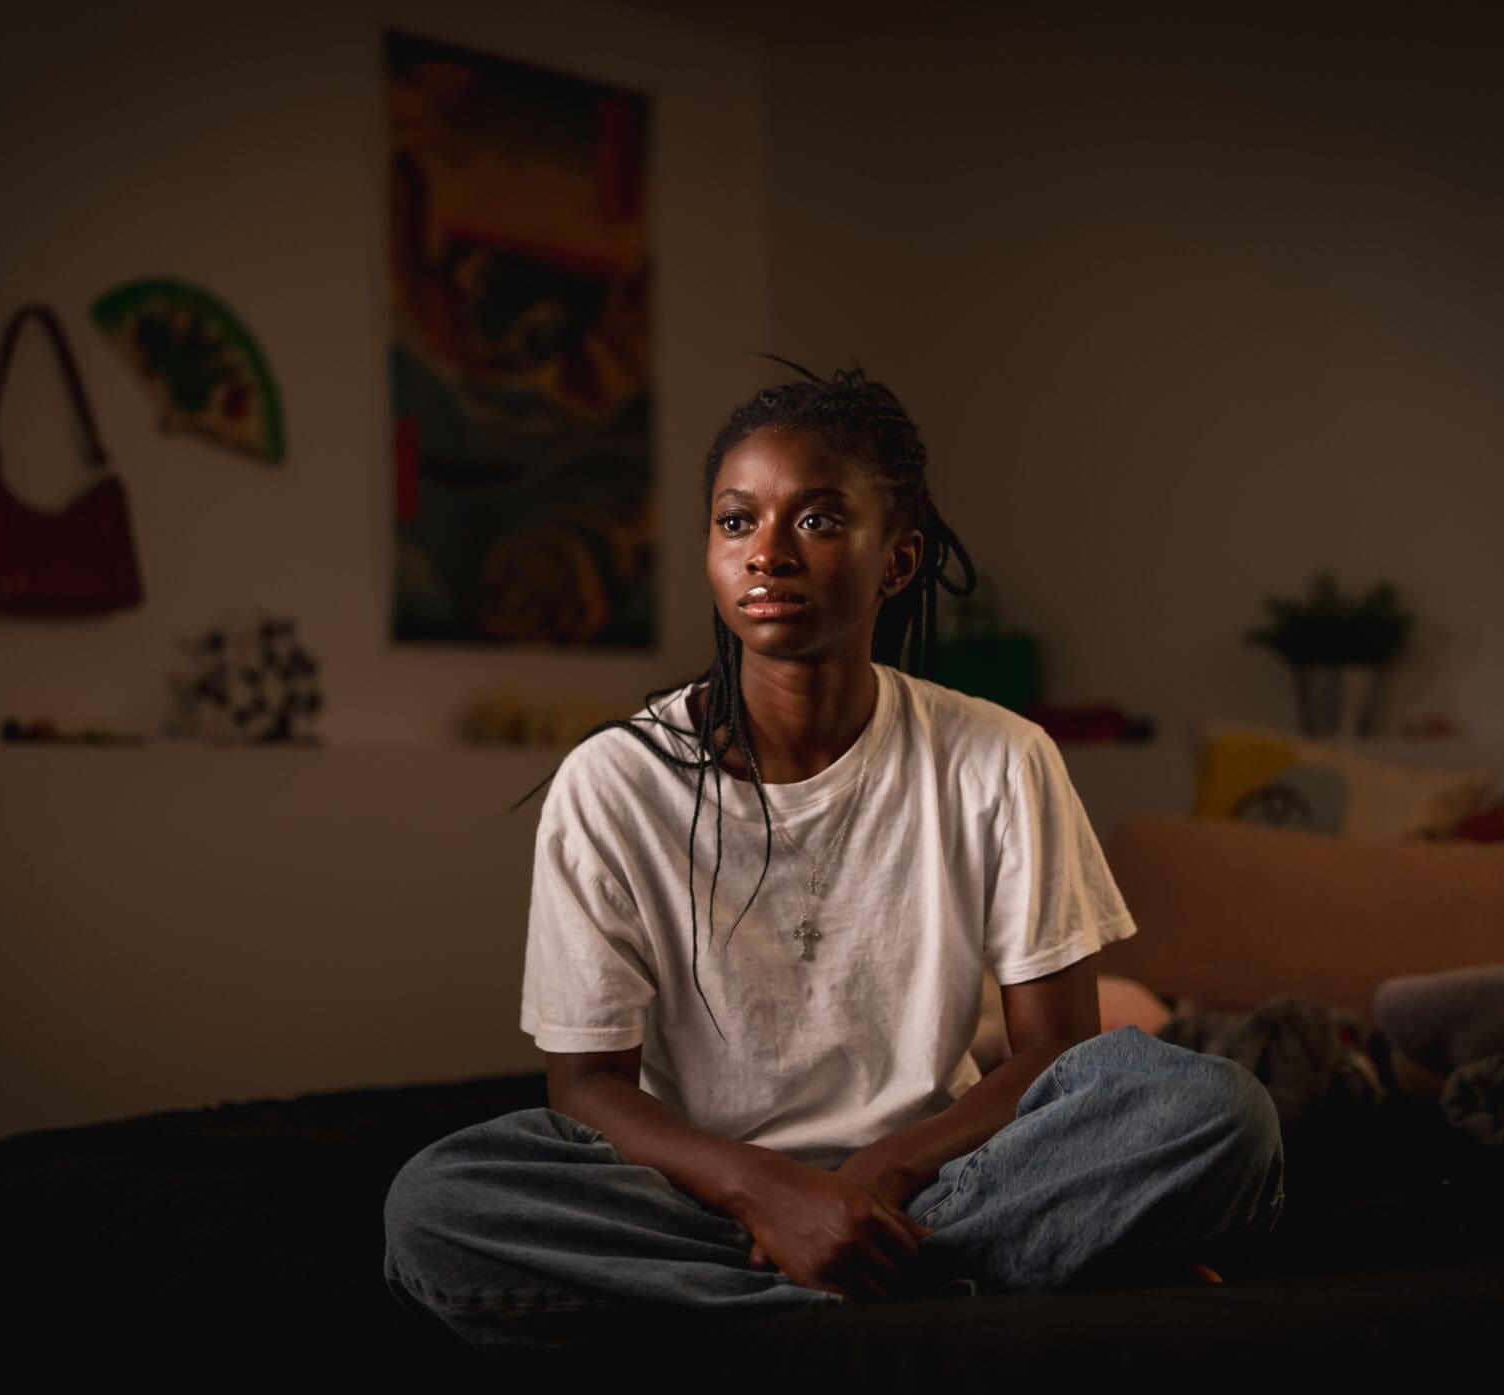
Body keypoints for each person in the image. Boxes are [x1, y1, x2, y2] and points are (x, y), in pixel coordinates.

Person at [383, 360, 1284, 1352]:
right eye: (737, 522)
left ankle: (827, 1275)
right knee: (437, 1206)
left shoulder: (996, 757)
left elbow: (1052, 1052)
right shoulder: (613, 779)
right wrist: (769, 1194)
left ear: (895, 559)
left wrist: (877, 1177)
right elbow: (586, 1088)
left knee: (1211, 1110)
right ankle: (951, 1277)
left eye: (813, 520)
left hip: (944, 1173)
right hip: (698, 1196)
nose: (766, 552)